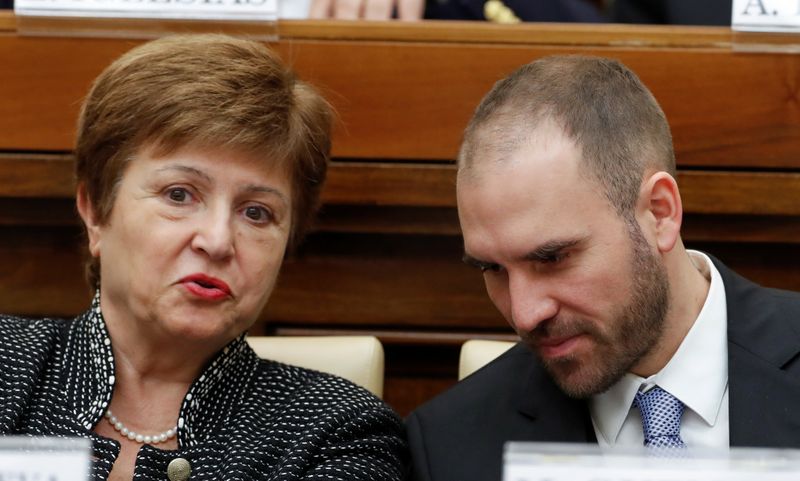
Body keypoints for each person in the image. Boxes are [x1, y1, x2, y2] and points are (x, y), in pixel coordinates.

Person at [0, 34, 406, 480]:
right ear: (96, 209)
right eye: (179, 194)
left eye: (256, 213)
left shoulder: (336, 431)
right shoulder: (9, 366)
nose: (217, 241)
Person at [406, 55, 800, 481]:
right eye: (493, 269)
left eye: (551, 258)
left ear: (659, 213)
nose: (524, 315)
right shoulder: (451, 445)